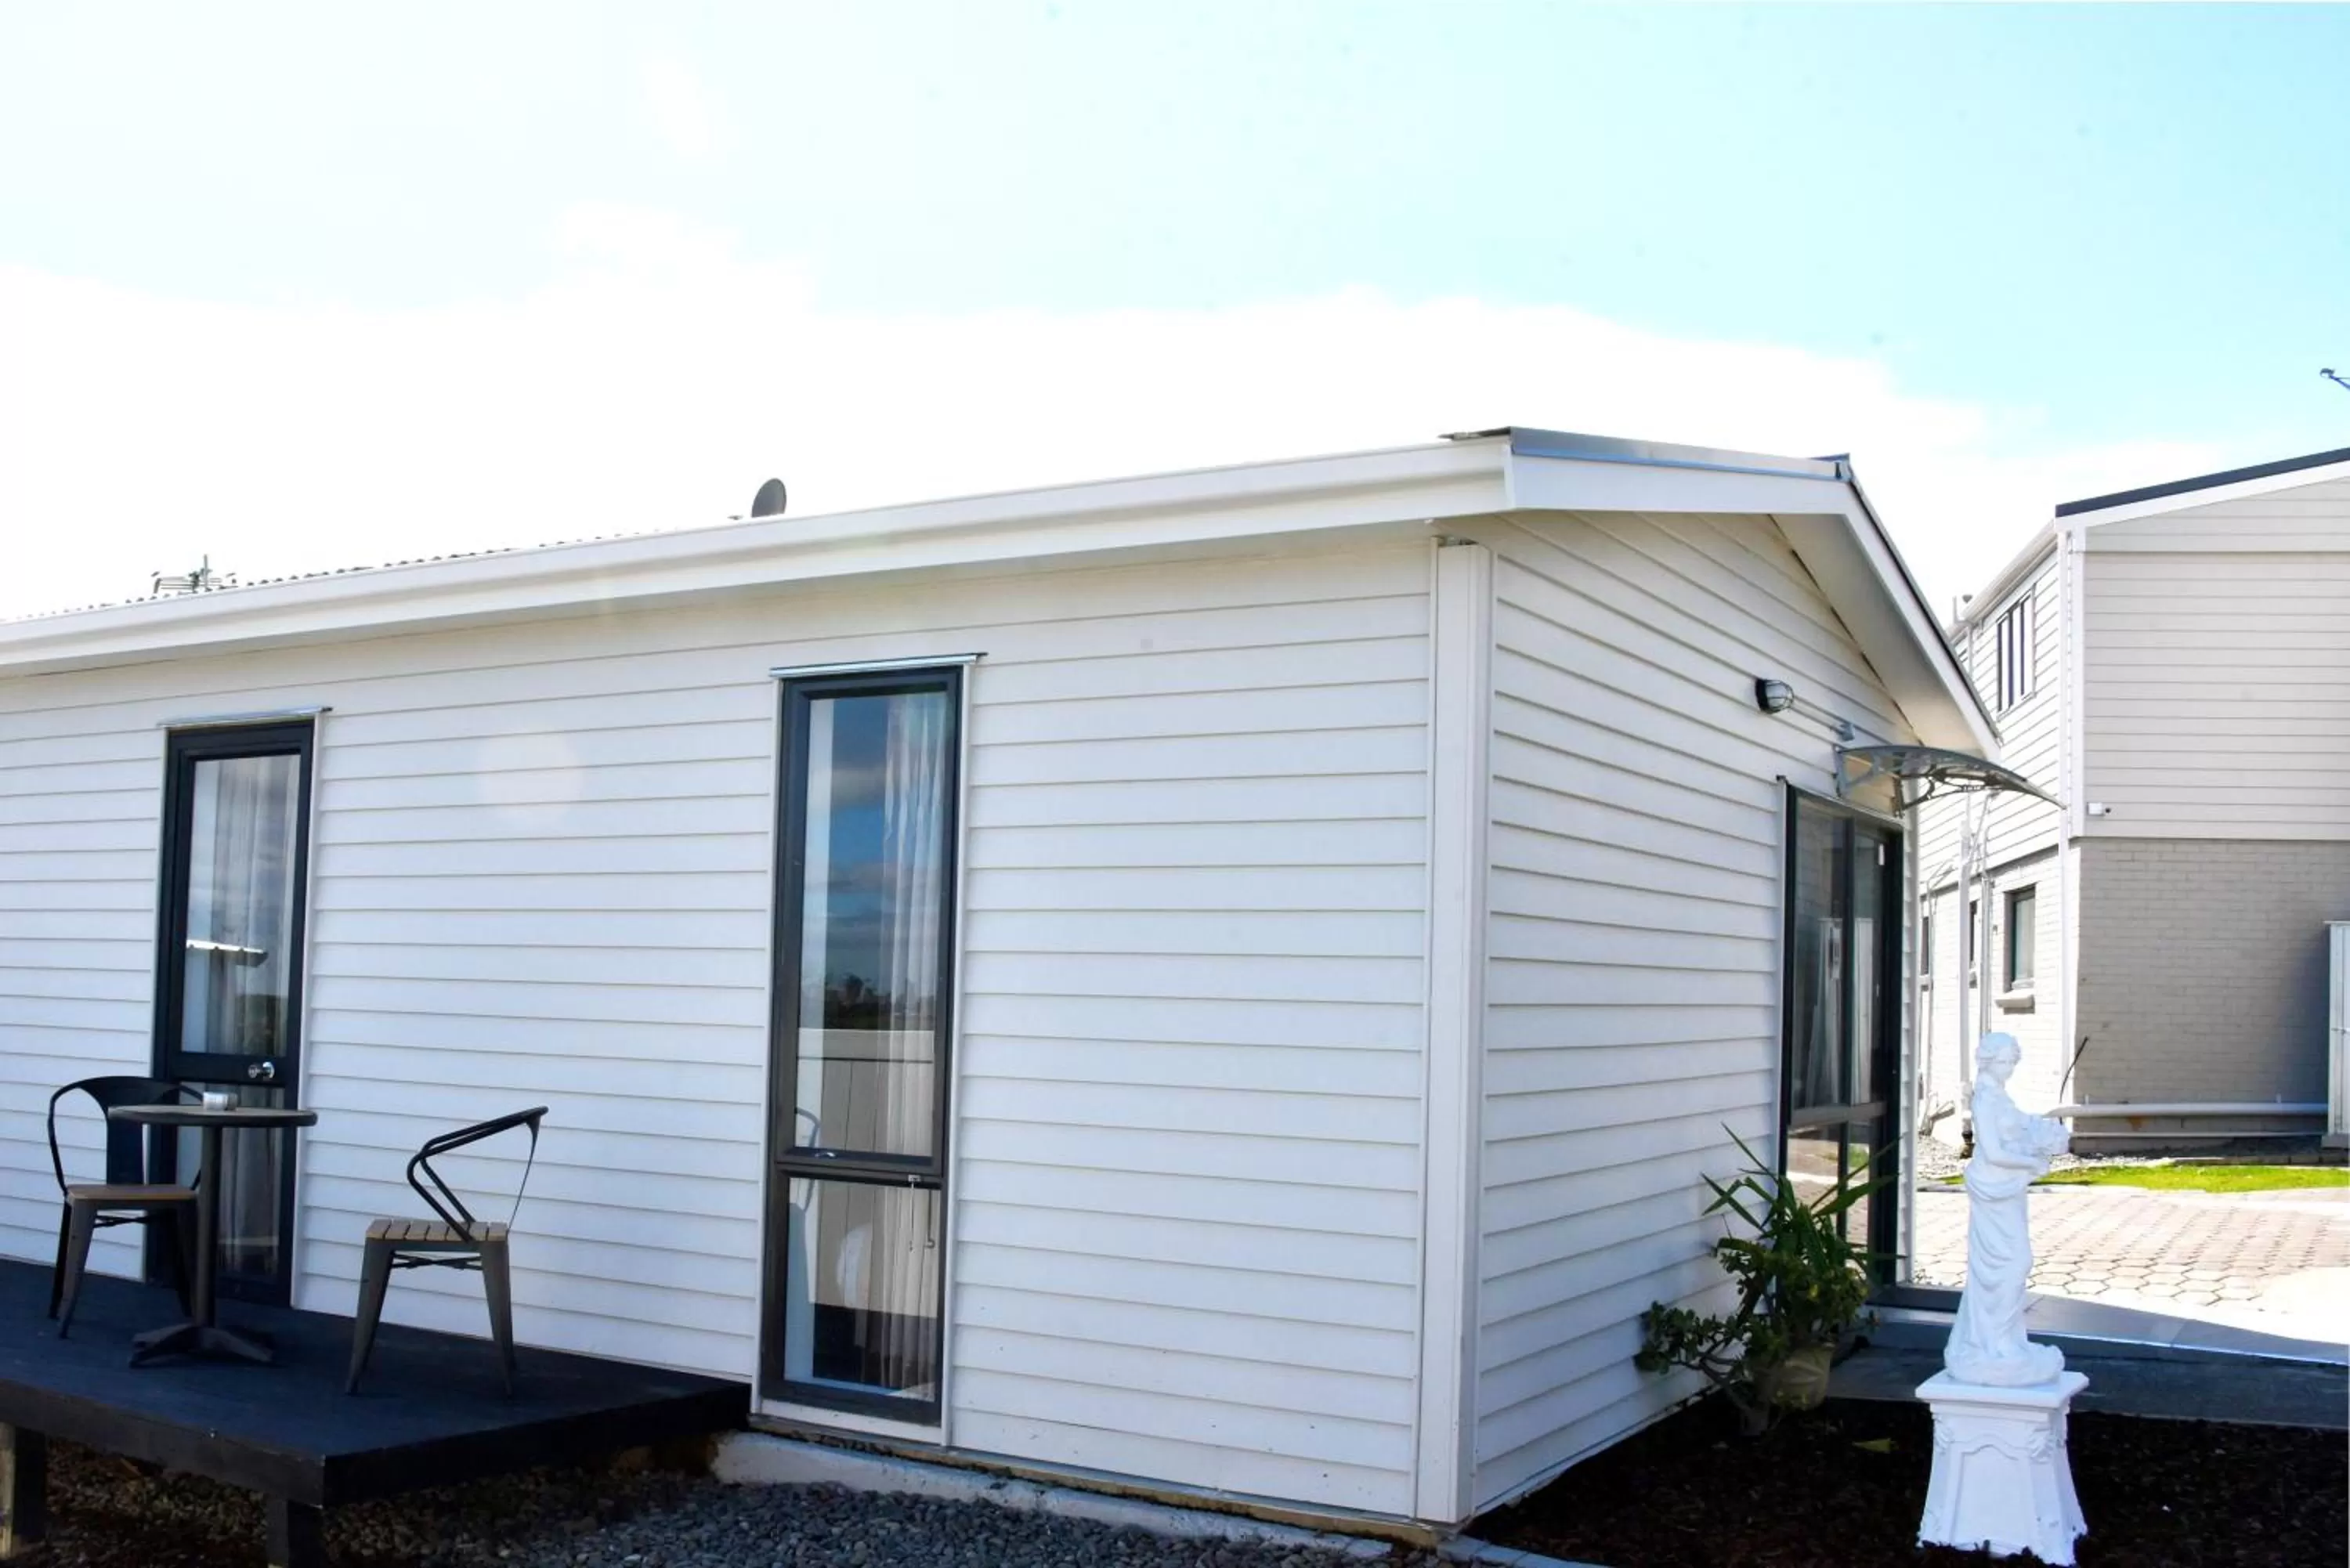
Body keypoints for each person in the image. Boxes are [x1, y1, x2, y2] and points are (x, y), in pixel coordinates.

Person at [1943, 1032, 2072, 1386]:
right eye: (2005, 1061)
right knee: (2008, 1265)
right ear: (1986, 1061)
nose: (2010, 1068)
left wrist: (2040, 1142)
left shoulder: (1999, 1095)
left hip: (2007, 1188)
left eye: (2013, 1061)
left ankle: (2006, 1341)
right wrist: (2032, 1163)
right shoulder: (1985, 1099)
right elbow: (1994, 1152)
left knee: (2009, 1266)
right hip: (1993, 1188)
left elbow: (2016, 1133)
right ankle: (1994, 1343)